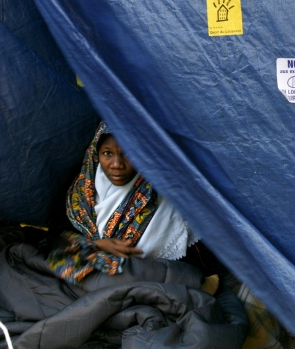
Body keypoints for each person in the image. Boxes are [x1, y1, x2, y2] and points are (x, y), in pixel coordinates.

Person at [47, 121, 219, 293]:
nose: (116, 164)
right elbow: (56, 241)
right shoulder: (81, 192)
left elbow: (200, 266)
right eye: (107, 153)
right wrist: (97, 245)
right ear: (95, 153)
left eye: (128, 154)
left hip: (150, 284)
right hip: (94, 283)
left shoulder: (164, 194)